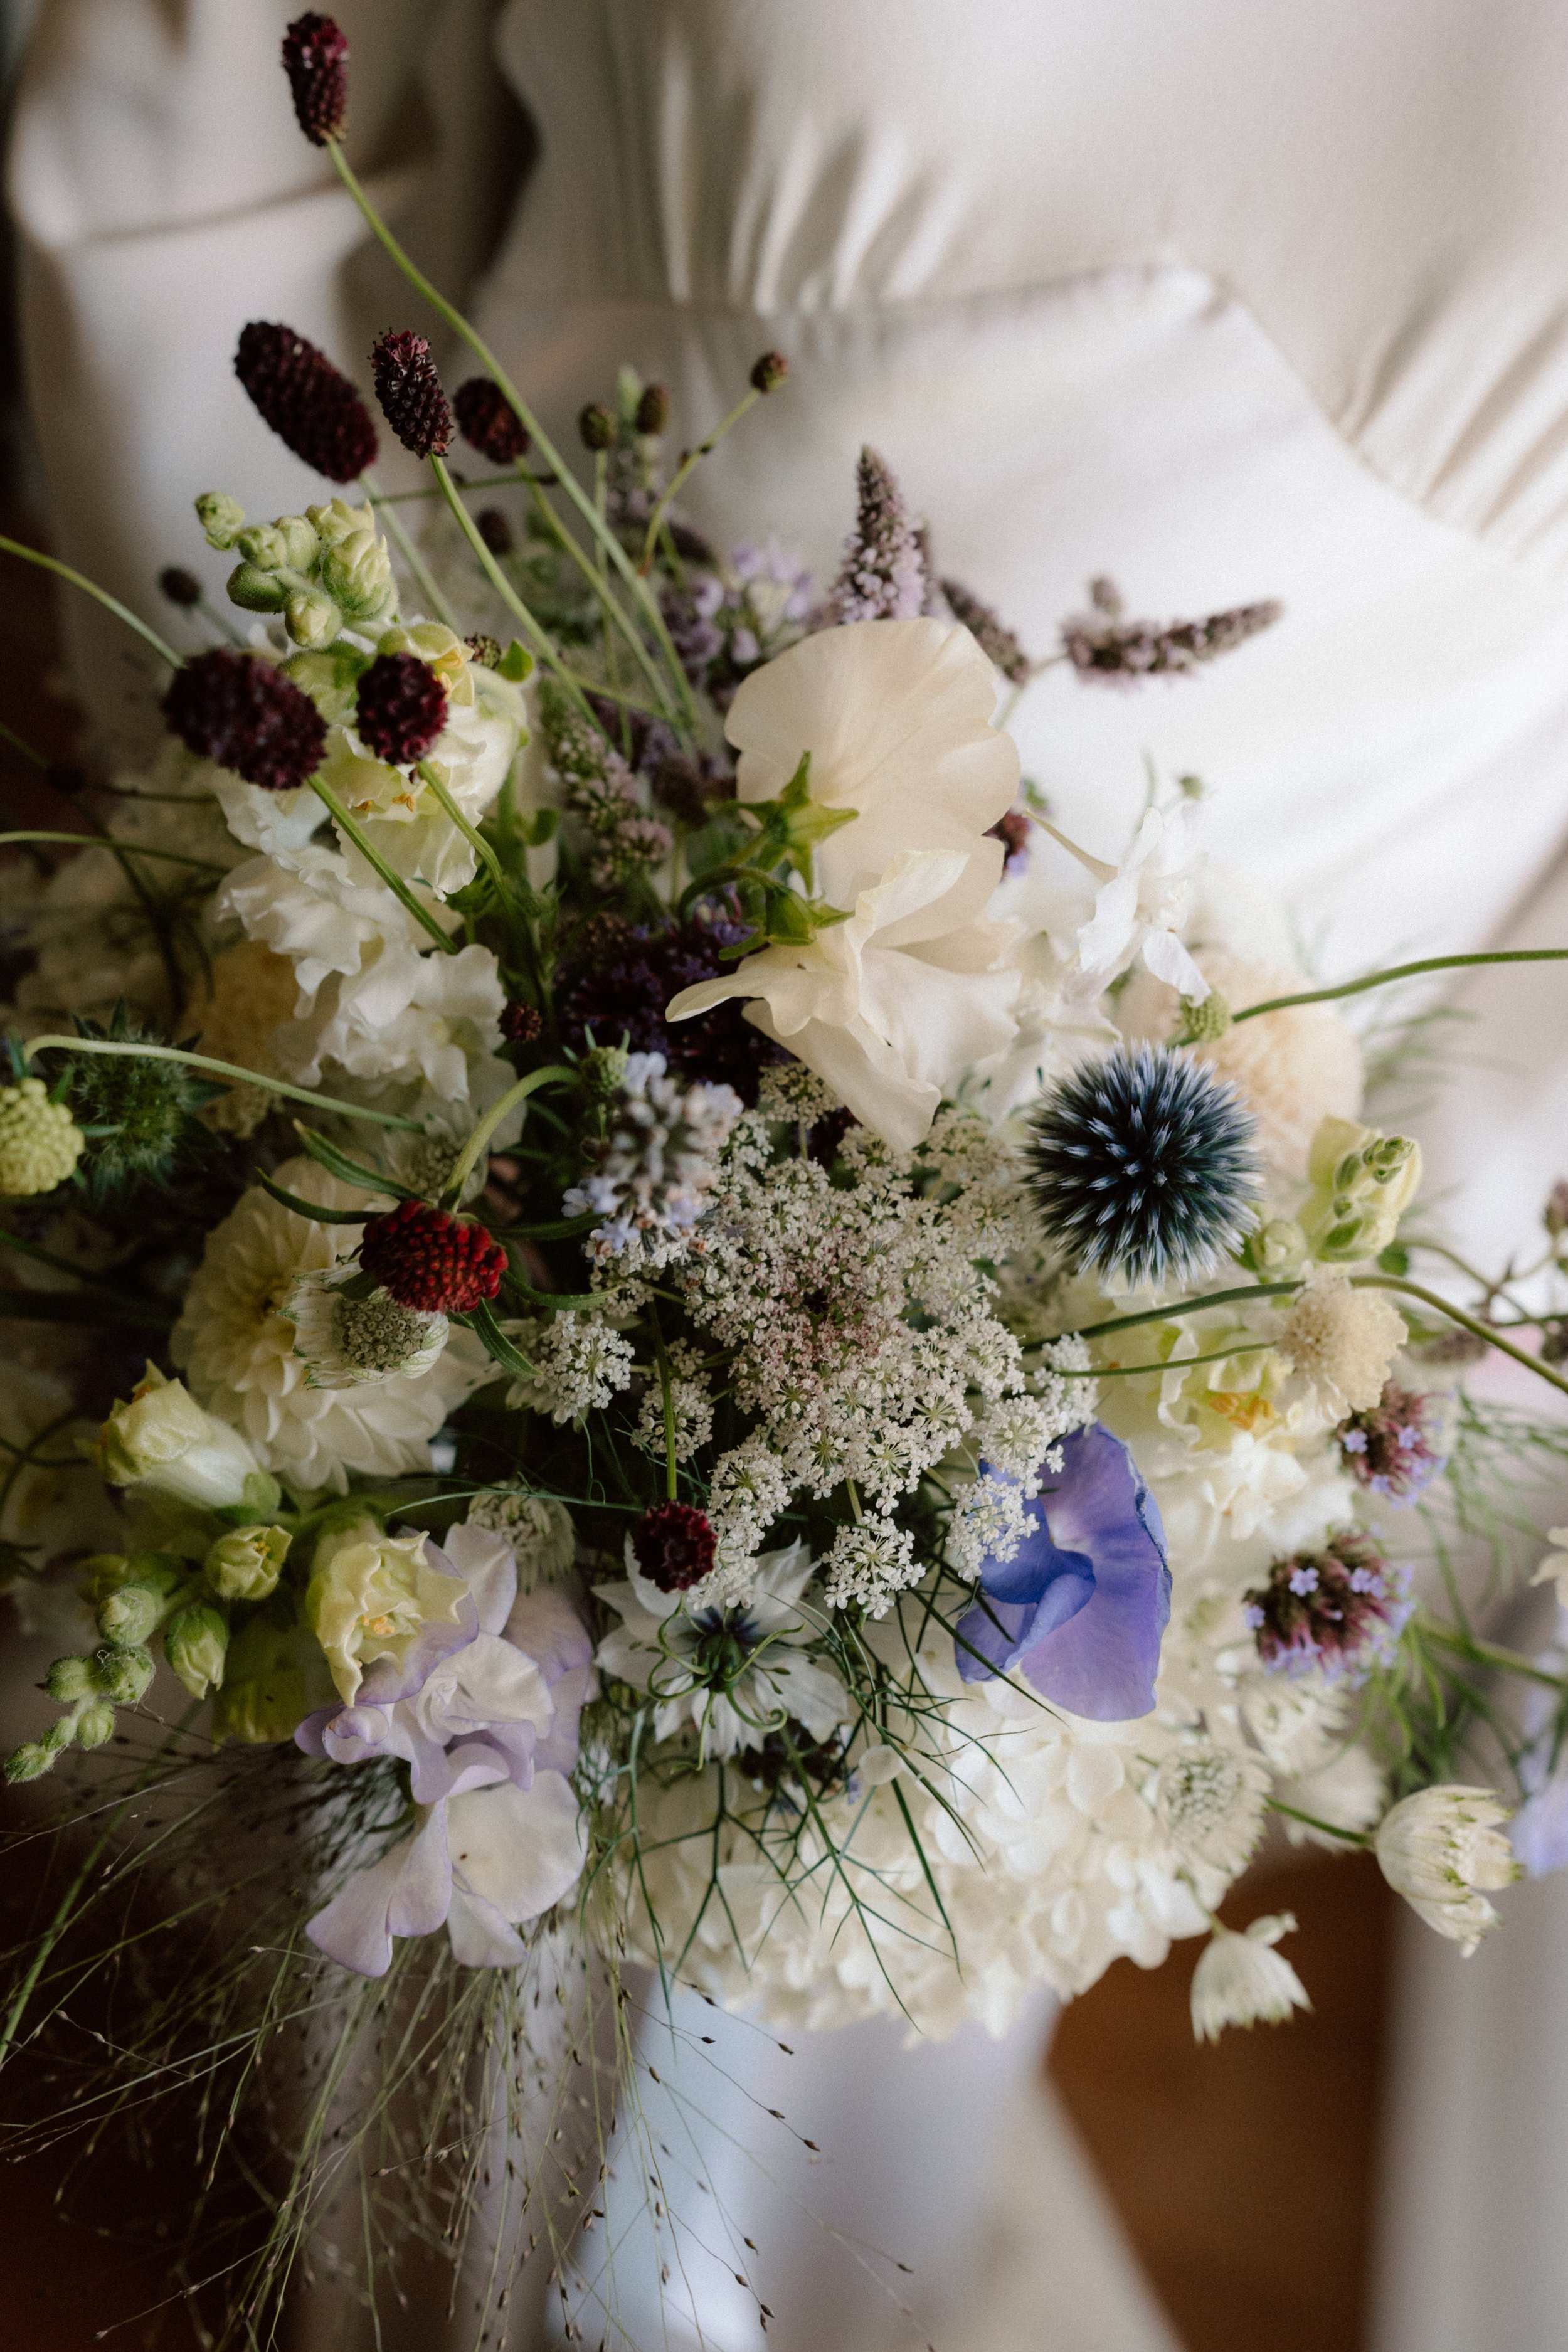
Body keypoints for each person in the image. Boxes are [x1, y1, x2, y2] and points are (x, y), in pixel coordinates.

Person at [11, 4, 1568, 2346]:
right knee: (447, 2086)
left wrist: (1332, 1377)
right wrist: (347, 880)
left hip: (1124, 1411)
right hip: (420, 1054)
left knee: (756, 2187)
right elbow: (212, 103)